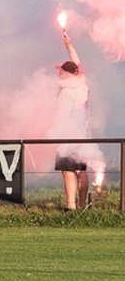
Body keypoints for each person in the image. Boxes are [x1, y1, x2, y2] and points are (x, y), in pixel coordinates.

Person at [51, 32, 98, 210]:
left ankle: (70, 206)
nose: (59, 74)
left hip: (68, 135)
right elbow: (77, 64)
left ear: (65, 73)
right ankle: (82, 205)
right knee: (81, 171)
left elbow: (62, 115)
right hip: (82, 133)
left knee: (68, 171)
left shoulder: (66, 92)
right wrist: (69, 45)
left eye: (61, 72)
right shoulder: (82, 85)